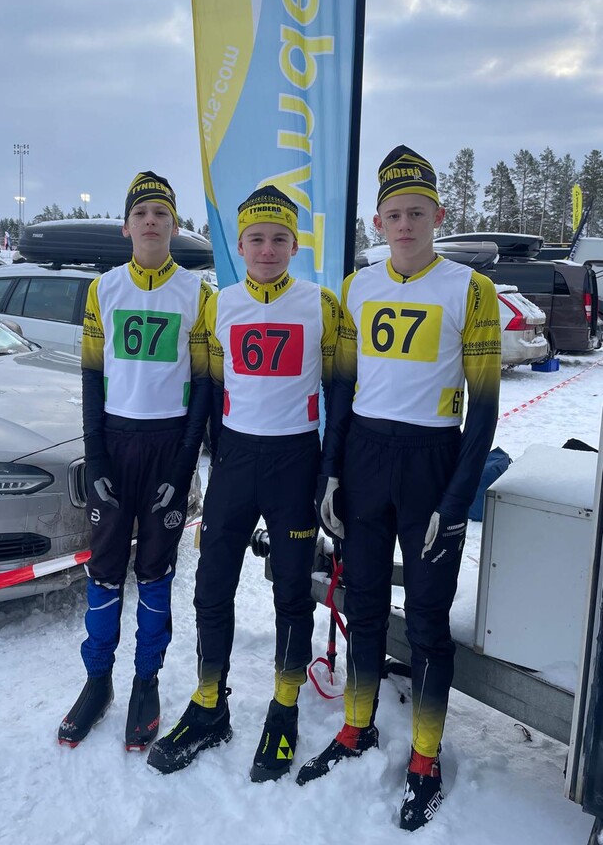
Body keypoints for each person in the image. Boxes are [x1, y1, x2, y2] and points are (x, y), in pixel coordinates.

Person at [296, 146, 502, 831]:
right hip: (364, 458)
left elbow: (484, 409)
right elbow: (342, 388)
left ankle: (425, 758)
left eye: (417, 213)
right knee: (362, 602)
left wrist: (455, 499)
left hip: (431, 462)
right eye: (394, 215)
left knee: (426, 619)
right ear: (378, 222)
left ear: (438, 216)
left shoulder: (470, 290)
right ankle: (357, 726)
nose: (405, 225)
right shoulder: (356, 288)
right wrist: (329, 471)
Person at [147, 186, 339, 782]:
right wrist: (205, 459)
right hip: (234, 461)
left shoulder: (321, 304)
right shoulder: (219, 304)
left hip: (294, 463)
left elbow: (342, 394)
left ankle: (284, 707)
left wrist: (330, 472)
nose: (267, 249)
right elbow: (207, 392)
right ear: (240, 243)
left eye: (279, 238)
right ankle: (210, 704)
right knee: (211, 589)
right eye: (256, 238)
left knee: (291, 594)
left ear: (295, 245)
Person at [58, 171, 212, 751]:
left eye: (161, 214)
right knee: (103, 570)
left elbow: (203, 387)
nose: (151, 222)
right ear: (126, 226)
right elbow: (91, 377)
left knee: (154, 571)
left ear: (174, 226)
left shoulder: (198, 294)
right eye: (141, 213)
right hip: (116, 446)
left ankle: (146, 681)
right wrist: (96, 458)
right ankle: (97, 680)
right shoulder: (104, 289)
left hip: (167, 445)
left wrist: (182, 466)